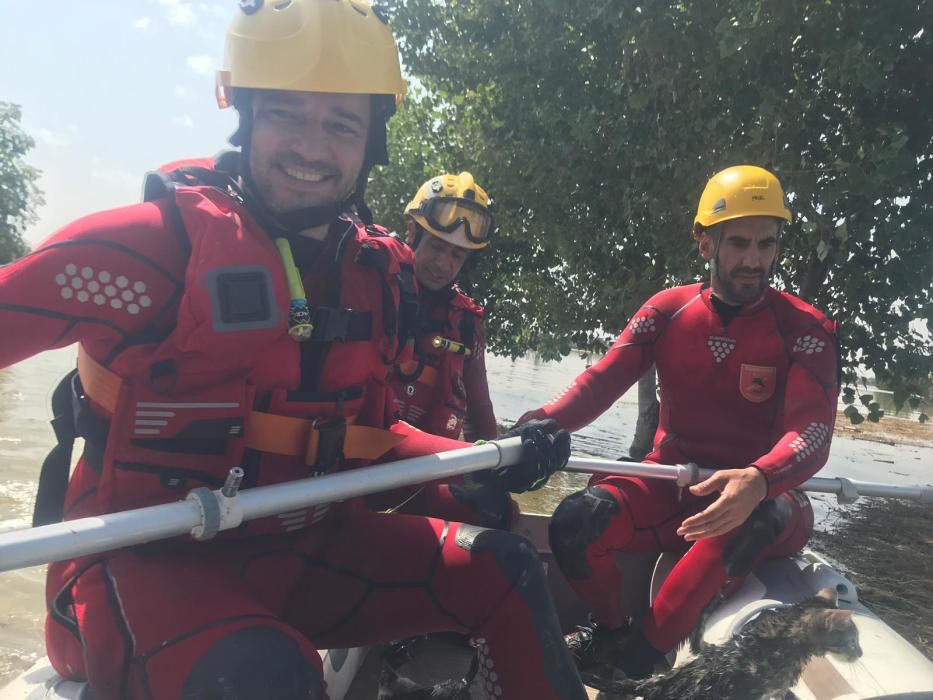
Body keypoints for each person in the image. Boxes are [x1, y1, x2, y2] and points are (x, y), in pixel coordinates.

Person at [0, 2, 585, 698]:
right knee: (270, 674)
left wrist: (487, 462)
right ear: (244, 116)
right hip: (140, 573)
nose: (312, 147)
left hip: (304, 559)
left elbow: (368, 436)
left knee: (509, 568)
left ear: (372, 144)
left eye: (341, 125)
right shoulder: (142, 254)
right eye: (285, 114)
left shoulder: (380, 280)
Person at [518, 165, 839, 682]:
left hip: (767, 499)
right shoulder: (667, 311)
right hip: (672, 482)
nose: (755, 260)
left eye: (767, 244)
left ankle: (639, 663)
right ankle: (612, 629)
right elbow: (600, 383)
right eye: (738, 243)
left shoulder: (805, 328)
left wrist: (757, 479)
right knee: (576, 521)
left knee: (745, 521)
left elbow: (813, 433)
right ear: (704, 241)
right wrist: (534, 428)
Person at [371, 172, 515, 530]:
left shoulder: (466, 322)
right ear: (412, 234)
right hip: (358, 474)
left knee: (502, 513)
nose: (443, 264)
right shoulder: (371, 294)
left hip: (423, 479)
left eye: (457, 255)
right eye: (436, 246)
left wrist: (499, 474)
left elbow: (481, 413)